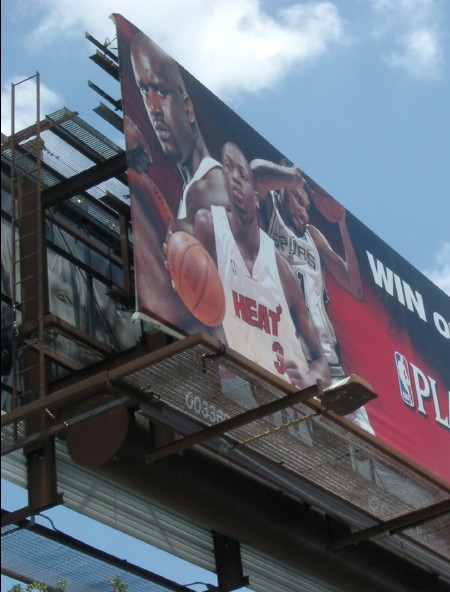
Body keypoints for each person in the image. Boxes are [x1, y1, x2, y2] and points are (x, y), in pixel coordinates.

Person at [174, 142, 330, 390]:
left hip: (289, 396)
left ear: (257, 196)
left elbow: (321, 360)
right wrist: (179, 268)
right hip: (236, 383)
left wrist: (311, 378)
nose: (234, 177)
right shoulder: (209, 225)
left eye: (242, 174)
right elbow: (197, 312)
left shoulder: (281, 268)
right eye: (228, 169)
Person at [251, 160, 374, 434]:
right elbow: (254, 173)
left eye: (308, 207)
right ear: (284, 190)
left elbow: (355, 286)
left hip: (327, 358)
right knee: (302, 439)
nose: (304, 213)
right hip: (288, 352)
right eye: (298, 201)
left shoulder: (313, 236)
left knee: (370, 444)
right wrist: (291, 177)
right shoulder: (270, 208)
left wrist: (343, 224)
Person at [129, 31, 227, 225]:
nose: (153, 108)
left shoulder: (211, 186)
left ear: (188, 108)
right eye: (144, 90)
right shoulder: (191, 190)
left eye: (162, 92)